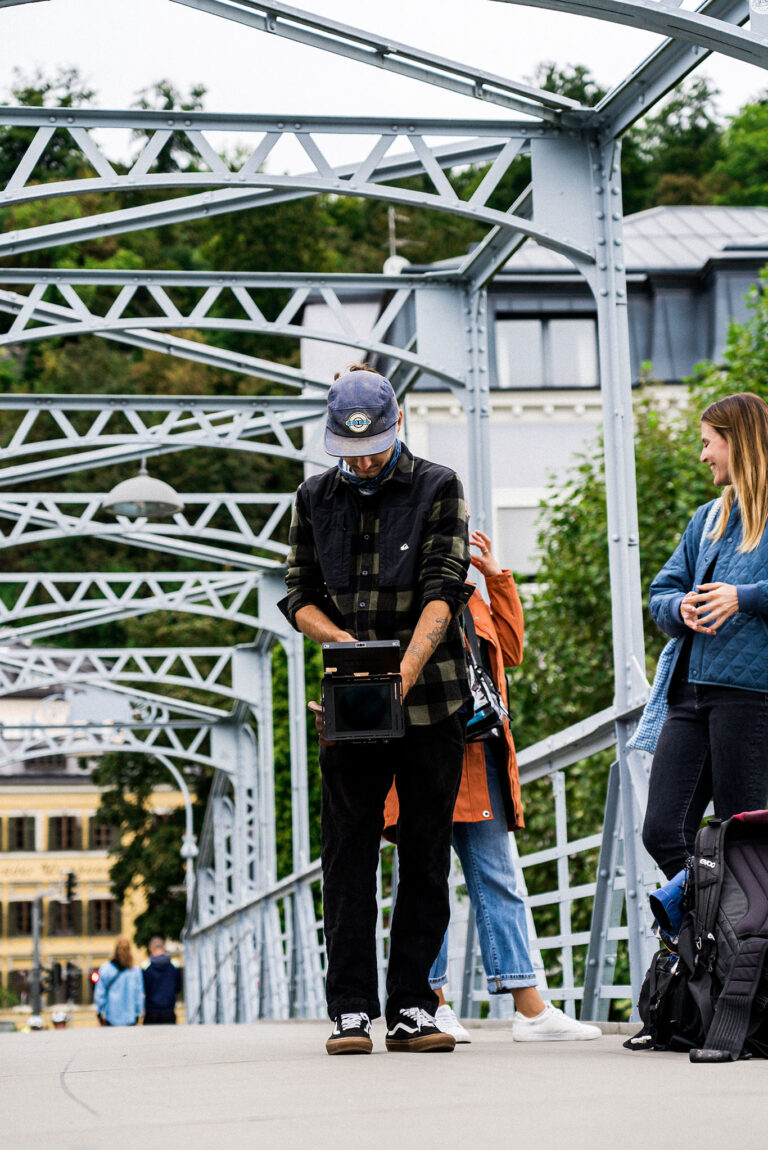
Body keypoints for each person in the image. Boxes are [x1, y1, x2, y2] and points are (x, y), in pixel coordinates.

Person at [280, 364, 472, 1055]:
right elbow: (299, 593)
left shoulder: (439, 486)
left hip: (432, 697)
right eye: (347, 451)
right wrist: (348, 653)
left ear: (398, 430)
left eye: (373, 447)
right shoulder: (312, 498)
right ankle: (352, 1011)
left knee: (425, 853)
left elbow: (444, 589)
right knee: (348, 857)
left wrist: (399, 672)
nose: (360, 462)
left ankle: (414, 1007)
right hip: (351, 705)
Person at [384, 530, 601, 1042]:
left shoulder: (472, 600)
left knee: (498, 879)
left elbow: (514, 648)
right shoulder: (403, 601)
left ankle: (529, 1008)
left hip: (477, 757)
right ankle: (429, 1003)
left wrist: (496, 576)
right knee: (422, 880)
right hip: (421, 757)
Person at [642, 392, 768, 879]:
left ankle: (740, 950)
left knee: (741, 836)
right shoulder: (707, 519)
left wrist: (744, 597)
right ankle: (707, 943)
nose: (702, 455)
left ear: (738, 443)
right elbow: (661, 593)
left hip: (749, 697)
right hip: (688, 695)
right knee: (663, 832)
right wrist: (681, 607)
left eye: (708, 443)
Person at [94, 938, 144, 1027]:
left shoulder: (106, 968)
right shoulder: (135, 970)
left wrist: (100, 1013)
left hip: (111, 1017)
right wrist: (138, 1014)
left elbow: (100, 994)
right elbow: (139, 995)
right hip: (130, 1017)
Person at [142, 936, 183, 1025]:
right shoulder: (174, 965)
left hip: (151, 1011)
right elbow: (178, 987)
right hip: (169, 1010)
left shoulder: (146, 966)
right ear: (164, 948)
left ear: (151, 949)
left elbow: (143, 988)